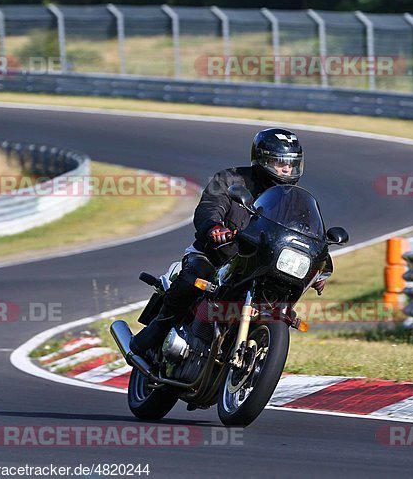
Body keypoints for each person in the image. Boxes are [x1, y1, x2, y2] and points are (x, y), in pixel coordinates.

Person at [130, 127, 328, 355]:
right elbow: (209, 207)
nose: (286, 168)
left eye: (292, 163)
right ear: (262, 159)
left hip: (256, 265)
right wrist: (214, 227)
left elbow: (307, 234)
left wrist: (320, 268)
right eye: (279, 162)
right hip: (215, 255)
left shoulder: (294, 201)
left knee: (280, 298)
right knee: (193, 277)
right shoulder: (229, 179)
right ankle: (155, 333)